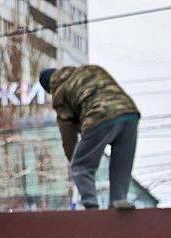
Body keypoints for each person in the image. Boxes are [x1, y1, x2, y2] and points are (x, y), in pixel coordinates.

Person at [39, 65, 140, 210]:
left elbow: (68, 134)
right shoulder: (90, 69)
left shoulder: (60, 92)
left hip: (99, 115)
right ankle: (119, 200)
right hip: (129, 114)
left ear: (49, 87)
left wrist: (74, 159)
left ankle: (91, 206)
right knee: (121, 165)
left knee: (80, 166)